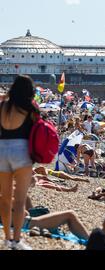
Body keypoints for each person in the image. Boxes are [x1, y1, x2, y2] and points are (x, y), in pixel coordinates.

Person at [0, 75, 39, 250]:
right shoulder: (30, 108)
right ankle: (16, 241)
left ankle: (6, 237)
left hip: (2, 149)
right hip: (21, 150)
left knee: (5, 198)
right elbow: (39, 129)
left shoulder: (3, 106)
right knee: (20, 200)